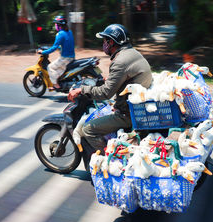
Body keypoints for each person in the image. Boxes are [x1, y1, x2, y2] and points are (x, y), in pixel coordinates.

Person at [68, 24, 152, 152]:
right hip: (136, 107)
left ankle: (110, 159)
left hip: (127, 115)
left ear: (111, 42)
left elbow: (105, 93)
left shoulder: (119, 62)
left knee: (88, 129)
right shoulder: (133, 53)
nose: (104, 44)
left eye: (104, 41)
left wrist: (82, 90)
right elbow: (127, 76)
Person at [39, 15, 75, 91]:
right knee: (58, 68)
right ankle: (61, 82)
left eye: (55, 24)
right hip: (72, 57)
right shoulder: (69, 32)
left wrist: (43, 52)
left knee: (50, 67)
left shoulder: (60, 34)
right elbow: (67, 43)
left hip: (65, 58)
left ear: (58, 25)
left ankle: (56, 85)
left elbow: (54, 47)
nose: (55, 26)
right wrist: (60, 48)